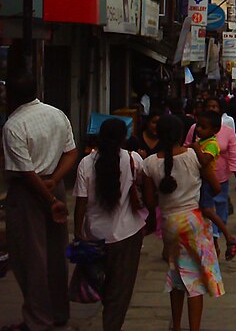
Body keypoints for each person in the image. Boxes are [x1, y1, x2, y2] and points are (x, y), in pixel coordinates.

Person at [2, 72, 78, 331]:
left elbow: (26, 172)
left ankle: (38, 319)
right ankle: (58, 311)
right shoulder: (56, 114)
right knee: (56, 254)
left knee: (30, 257)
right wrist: (54, 182)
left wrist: (48, 196)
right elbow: (71, 152)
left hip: (30, 193)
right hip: (52, 186)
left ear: (9, 96)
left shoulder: (13, 125)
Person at [142, 115, 224, 331]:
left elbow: (150, 202)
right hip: (193, 220)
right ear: (181, 134)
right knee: (195, 282)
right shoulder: (192, 155)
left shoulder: (149, 163)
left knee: (177, 275)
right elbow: (215, 187)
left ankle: (176, 326)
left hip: (169, 223)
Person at [73, 118, 146, 331]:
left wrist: (79, 234)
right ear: (124, 138)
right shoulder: (132, 160)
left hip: (95, 235)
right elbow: (143, 185)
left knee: (101, 283)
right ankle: (112, 325)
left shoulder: (86, 163)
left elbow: (80, 203)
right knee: (120, 289)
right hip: (127, 234)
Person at [183, 98, 236, 255]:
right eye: (209, 106)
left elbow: (235, 156)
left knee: (217, 210)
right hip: (198, 179)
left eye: (215, 106)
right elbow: (185, 149)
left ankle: (220, 240)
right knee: (203, 211)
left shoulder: (227, 132)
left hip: (221, 178)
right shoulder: (194, 130)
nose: (212, 108)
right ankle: (212, 243)